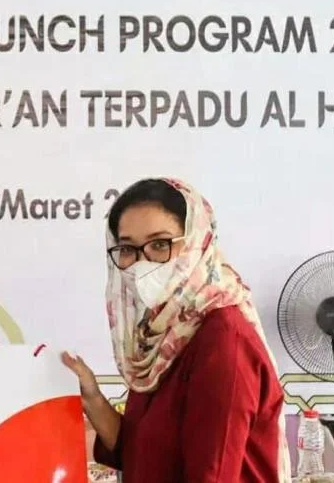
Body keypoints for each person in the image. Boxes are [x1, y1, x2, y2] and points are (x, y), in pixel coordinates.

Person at [62, 177, 292, 482]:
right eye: (128, 249)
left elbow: (212, 475)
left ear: (197, 242)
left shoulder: (223, 339)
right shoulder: (163, 334)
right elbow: (142, 456)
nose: (142, 263)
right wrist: (92, 397)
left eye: (159, 244)